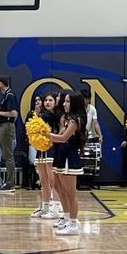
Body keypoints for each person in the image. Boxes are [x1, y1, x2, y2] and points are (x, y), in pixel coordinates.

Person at [44, 90, 88, 234]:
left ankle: (74, 224)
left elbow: (63, 138)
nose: (64, 103)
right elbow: (60, 135)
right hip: (62, 156)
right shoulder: (67, 118)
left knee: (70, 193)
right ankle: (68, 218)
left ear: (74, 103)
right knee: (59, 187)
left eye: (67, 101)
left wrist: (46, 134)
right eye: (64, 101)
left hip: (70, 157)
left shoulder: (76, 120)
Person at [0, 75, 18, 193]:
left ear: (1, 83)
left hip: (6, 127)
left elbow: (13, 113)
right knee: (5, 156)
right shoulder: (5, 96)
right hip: (2, 127)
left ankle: (10, 184)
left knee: (8, 156)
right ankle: (6, 183)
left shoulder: (10, 95)